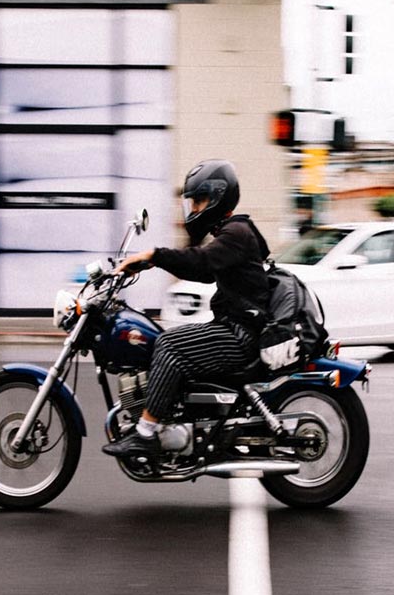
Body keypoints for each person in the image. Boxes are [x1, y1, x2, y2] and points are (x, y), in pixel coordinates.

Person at [101, 159, 270, 465]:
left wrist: (154, 255)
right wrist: (149, 263)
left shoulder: (236, 232)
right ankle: (167, 419)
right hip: (236, 327)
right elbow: (206, 271)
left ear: (218, 197)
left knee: (167, 344)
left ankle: (147, 434)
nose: (193, 209)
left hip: (240, 333)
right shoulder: (232, 234)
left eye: (199, 200)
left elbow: (202, 263)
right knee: (166, 341)